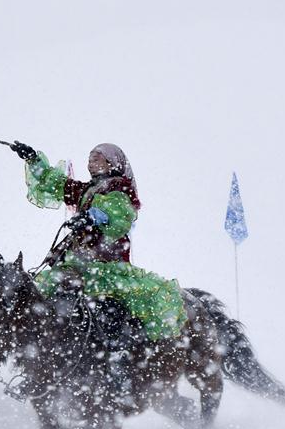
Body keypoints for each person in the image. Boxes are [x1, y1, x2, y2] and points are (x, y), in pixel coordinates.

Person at [10, 141, 186, 342]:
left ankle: (118, 352)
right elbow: (55, 182)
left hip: (105, 267)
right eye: (89, 160)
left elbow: (119, 215)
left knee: (109, 312)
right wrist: (32, 159)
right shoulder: (86, 190)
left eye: (96, 159)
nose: (90, 164)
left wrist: (94, 216)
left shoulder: (120, 188)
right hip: (78, 265)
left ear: (112, 163)